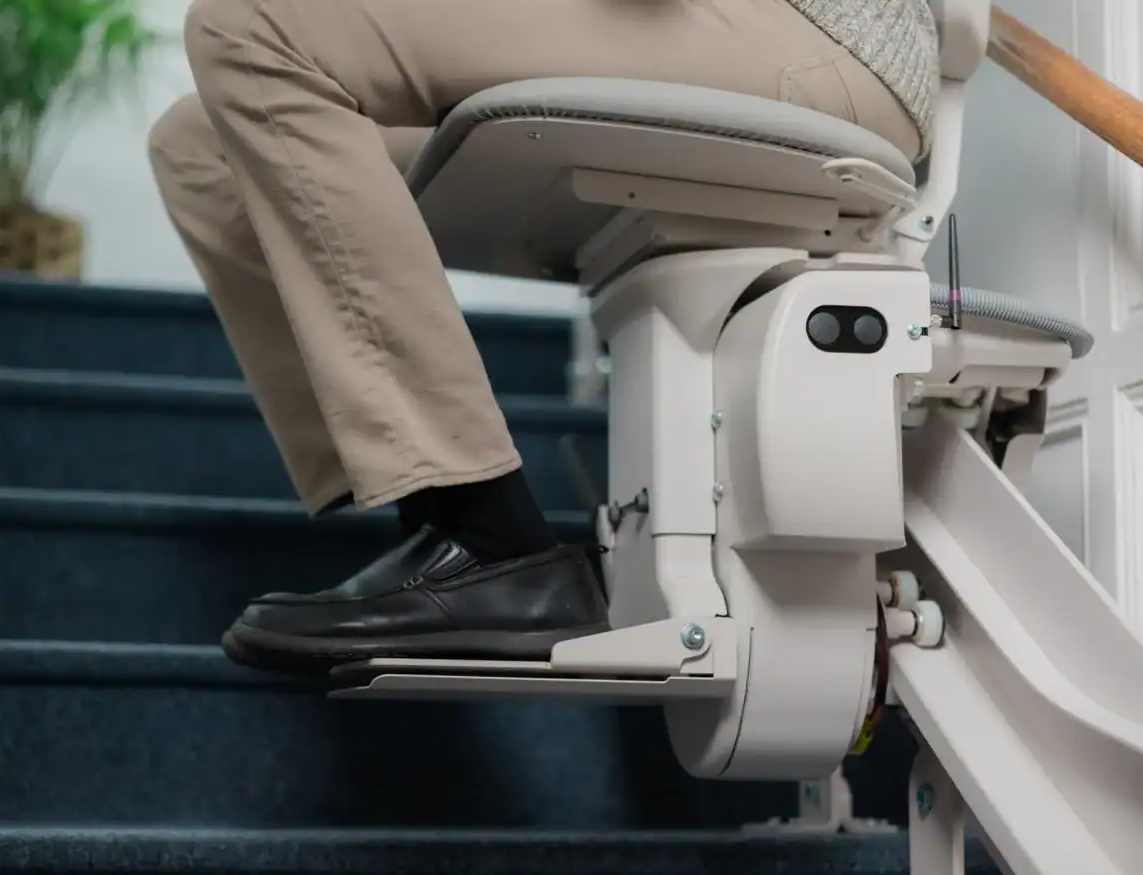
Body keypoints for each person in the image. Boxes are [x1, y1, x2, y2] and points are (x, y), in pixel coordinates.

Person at [149, 0, 940, 673]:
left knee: (251, 25)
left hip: (816, 38)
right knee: (204, 147)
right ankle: (436, 523)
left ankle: (489, 537)